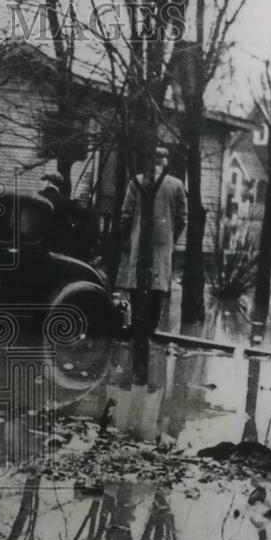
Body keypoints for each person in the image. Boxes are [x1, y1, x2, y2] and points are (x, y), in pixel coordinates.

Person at [116, 145, 187, 385]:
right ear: (165, 162)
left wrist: (128, 237)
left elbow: (125, 215)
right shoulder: (176, 184)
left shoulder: (136, 182)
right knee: (158, 286)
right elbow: (182, 218)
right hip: (162, 245)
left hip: (140, 243)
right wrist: (171, 238)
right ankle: (149, 332)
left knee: (138, 284)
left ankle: (139, 332)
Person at [37, 171, 74, 254]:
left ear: (47, 182)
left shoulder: (36, 196)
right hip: (54, 247)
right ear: (59, 185)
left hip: (34, 242)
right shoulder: (65, 202)